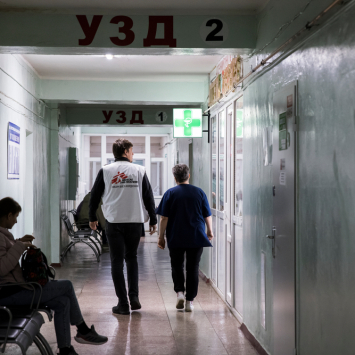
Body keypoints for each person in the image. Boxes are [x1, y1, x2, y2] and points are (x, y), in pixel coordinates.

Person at [0, 197, 108, 355]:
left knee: (63, 302)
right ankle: (83, 330)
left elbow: (5, 253)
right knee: (66, 286)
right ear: (8, 215)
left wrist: (19, 242)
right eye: (15, 216)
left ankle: (65, 350)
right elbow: (2, 268)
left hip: (15, 289)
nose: (16, 221)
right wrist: (19, 246)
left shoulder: (4, 236)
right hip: (10, 293)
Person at [89, 138, 157, 315]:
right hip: (135, 222)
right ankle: (134, 297)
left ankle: (123, 304)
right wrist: (154, 220)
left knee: (116, 261)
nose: (133, 155)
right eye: (132, 151)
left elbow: (94, 196)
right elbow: (148, 197)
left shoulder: (105, 171)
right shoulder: (140, 170)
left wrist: (92, 217)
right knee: (132, 258)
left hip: (114, 222)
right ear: (126, 151)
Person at [156, 164, 214, 312]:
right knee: (193, 268)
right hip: (196, 235)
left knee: (177, 266)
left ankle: (180, 293)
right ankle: (190, 302)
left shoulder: (170, 193)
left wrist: (161, 237)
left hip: (176, 236)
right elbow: (207, 214)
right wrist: (210, 230)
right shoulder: (199, 192)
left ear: (175, 178)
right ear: (189, 176)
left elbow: (163, 218)